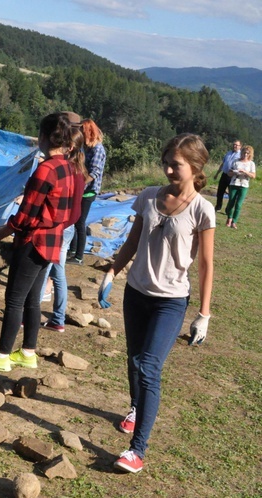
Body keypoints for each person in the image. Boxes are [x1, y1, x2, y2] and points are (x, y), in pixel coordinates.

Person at [98, 133, 215, 474]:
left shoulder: (202, 209)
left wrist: (203, 314)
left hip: (171, 301)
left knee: (149, 367)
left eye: (175, 165)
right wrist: (112, 271)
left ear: (195, 167)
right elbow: (132, 241)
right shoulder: (149, 197)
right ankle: (136, 408)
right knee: (135, 361)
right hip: (136, 293)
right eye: (165, 162)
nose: (167, 170)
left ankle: (137, 451)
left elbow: (206, 264)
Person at [0, 112, 76, 371]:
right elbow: (69, 210)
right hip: (52, 241)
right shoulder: (69, 168)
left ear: (45, 137)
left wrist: (1, 232)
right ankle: (28, 352)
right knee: (32, 298)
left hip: (32, 241)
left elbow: (26, 215)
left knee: (14, 299)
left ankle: (3, 355)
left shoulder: (46, 170)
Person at [40, 127, 87, 332]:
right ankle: (57, 318)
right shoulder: (79, 171)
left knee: (45, 272)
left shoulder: (67, 171)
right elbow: (77, 210)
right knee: (57, 273)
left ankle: (37, 316)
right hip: (67, 228)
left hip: (59, 228)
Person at [68, 118, 105, 265]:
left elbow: (94, 172)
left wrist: (80, 185)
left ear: (88, 132)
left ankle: (78, 257)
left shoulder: (97, 149)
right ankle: (72, 250)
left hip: (89, 191)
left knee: (80, 222)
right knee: (73, 218)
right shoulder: (86, 148)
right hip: (81, 189)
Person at [224, 145, 255, 229]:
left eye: (247, 153)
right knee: (231, 202)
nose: (245, 154)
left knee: (239, 204)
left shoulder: (251, 163)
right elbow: (229, 173)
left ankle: (234, 221)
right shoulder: (236, 161)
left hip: (244, 185)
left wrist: (245, 172)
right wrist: (234, 172)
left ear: (250, 154)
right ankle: (229, 219)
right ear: (241, 152)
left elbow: (253, 176)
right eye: (244, 152)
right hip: (234, 183)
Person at [213, 139, 242, 212]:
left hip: (233, 177)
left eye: (236, 145)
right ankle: (218, 207)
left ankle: (228, 209)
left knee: (231, 194)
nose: (234, 146)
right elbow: (223, 163)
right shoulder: (228, 153)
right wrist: (217, 173)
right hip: (224, 174)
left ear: (240, 146)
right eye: (234, 144)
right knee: (220, 192)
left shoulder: (241, 155)